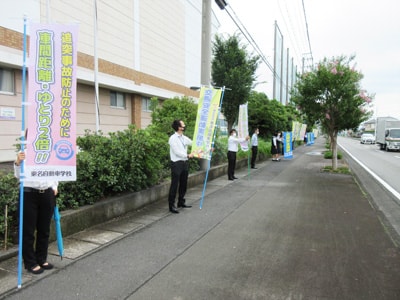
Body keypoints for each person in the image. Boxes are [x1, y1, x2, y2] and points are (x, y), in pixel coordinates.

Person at [14, 148, 58, 275]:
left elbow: (55, 172)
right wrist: (18, 162)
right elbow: (18, 175)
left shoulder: (50, 152)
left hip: (47, 193)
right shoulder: (24, 153)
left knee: (44, 229)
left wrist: (54, 186)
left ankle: (41, 258)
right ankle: (30, 262)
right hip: (28, 194)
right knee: (28, 230)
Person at [168, 119, 194, 214]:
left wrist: (207, 148)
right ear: (179, 127)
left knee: (184, 183)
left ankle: (181, 202)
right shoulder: (172, 138)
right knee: (174, 185)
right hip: (176, 163)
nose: (184, 125)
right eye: (183, 124)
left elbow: (193, 143)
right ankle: (171, 205)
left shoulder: (184, 138)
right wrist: (187, 155)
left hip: (184, 163)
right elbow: (176, 152)